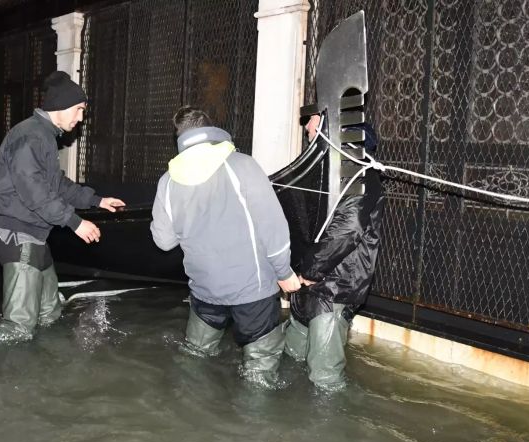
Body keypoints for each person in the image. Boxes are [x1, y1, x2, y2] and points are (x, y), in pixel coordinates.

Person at [150, 106, 301, 386]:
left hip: (204, 291)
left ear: (180, 139)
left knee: (195, 359)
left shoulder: (168, 181)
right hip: (252, 292)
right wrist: (284, 273)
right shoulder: (242, 165)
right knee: (260, 371)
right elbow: (273, 226)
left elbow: (164, 241)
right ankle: (255, 424)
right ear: (212, 131)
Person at [0, 70, 125, 342]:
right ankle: (3, 378)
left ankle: (47, 374)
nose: (80, 118)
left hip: (37, 235)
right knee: (17, 329)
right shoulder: (31, 136)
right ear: (61, 106)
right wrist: (75, 222)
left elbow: (56, 184)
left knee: (51, 313)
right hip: (19, 236)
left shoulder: (45, 136)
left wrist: (96, 200)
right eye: (79, 110)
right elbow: (35, 192)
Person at [283, 112, 384, 390]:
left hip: (333, 291)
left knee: (324, 380)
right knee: (291, 359)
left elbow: (348, 231)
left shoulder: (359, 174)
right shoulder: (327, 173)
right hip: (308, 288)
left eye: (313, 127)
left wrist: (307, 272)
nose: (307, 131)